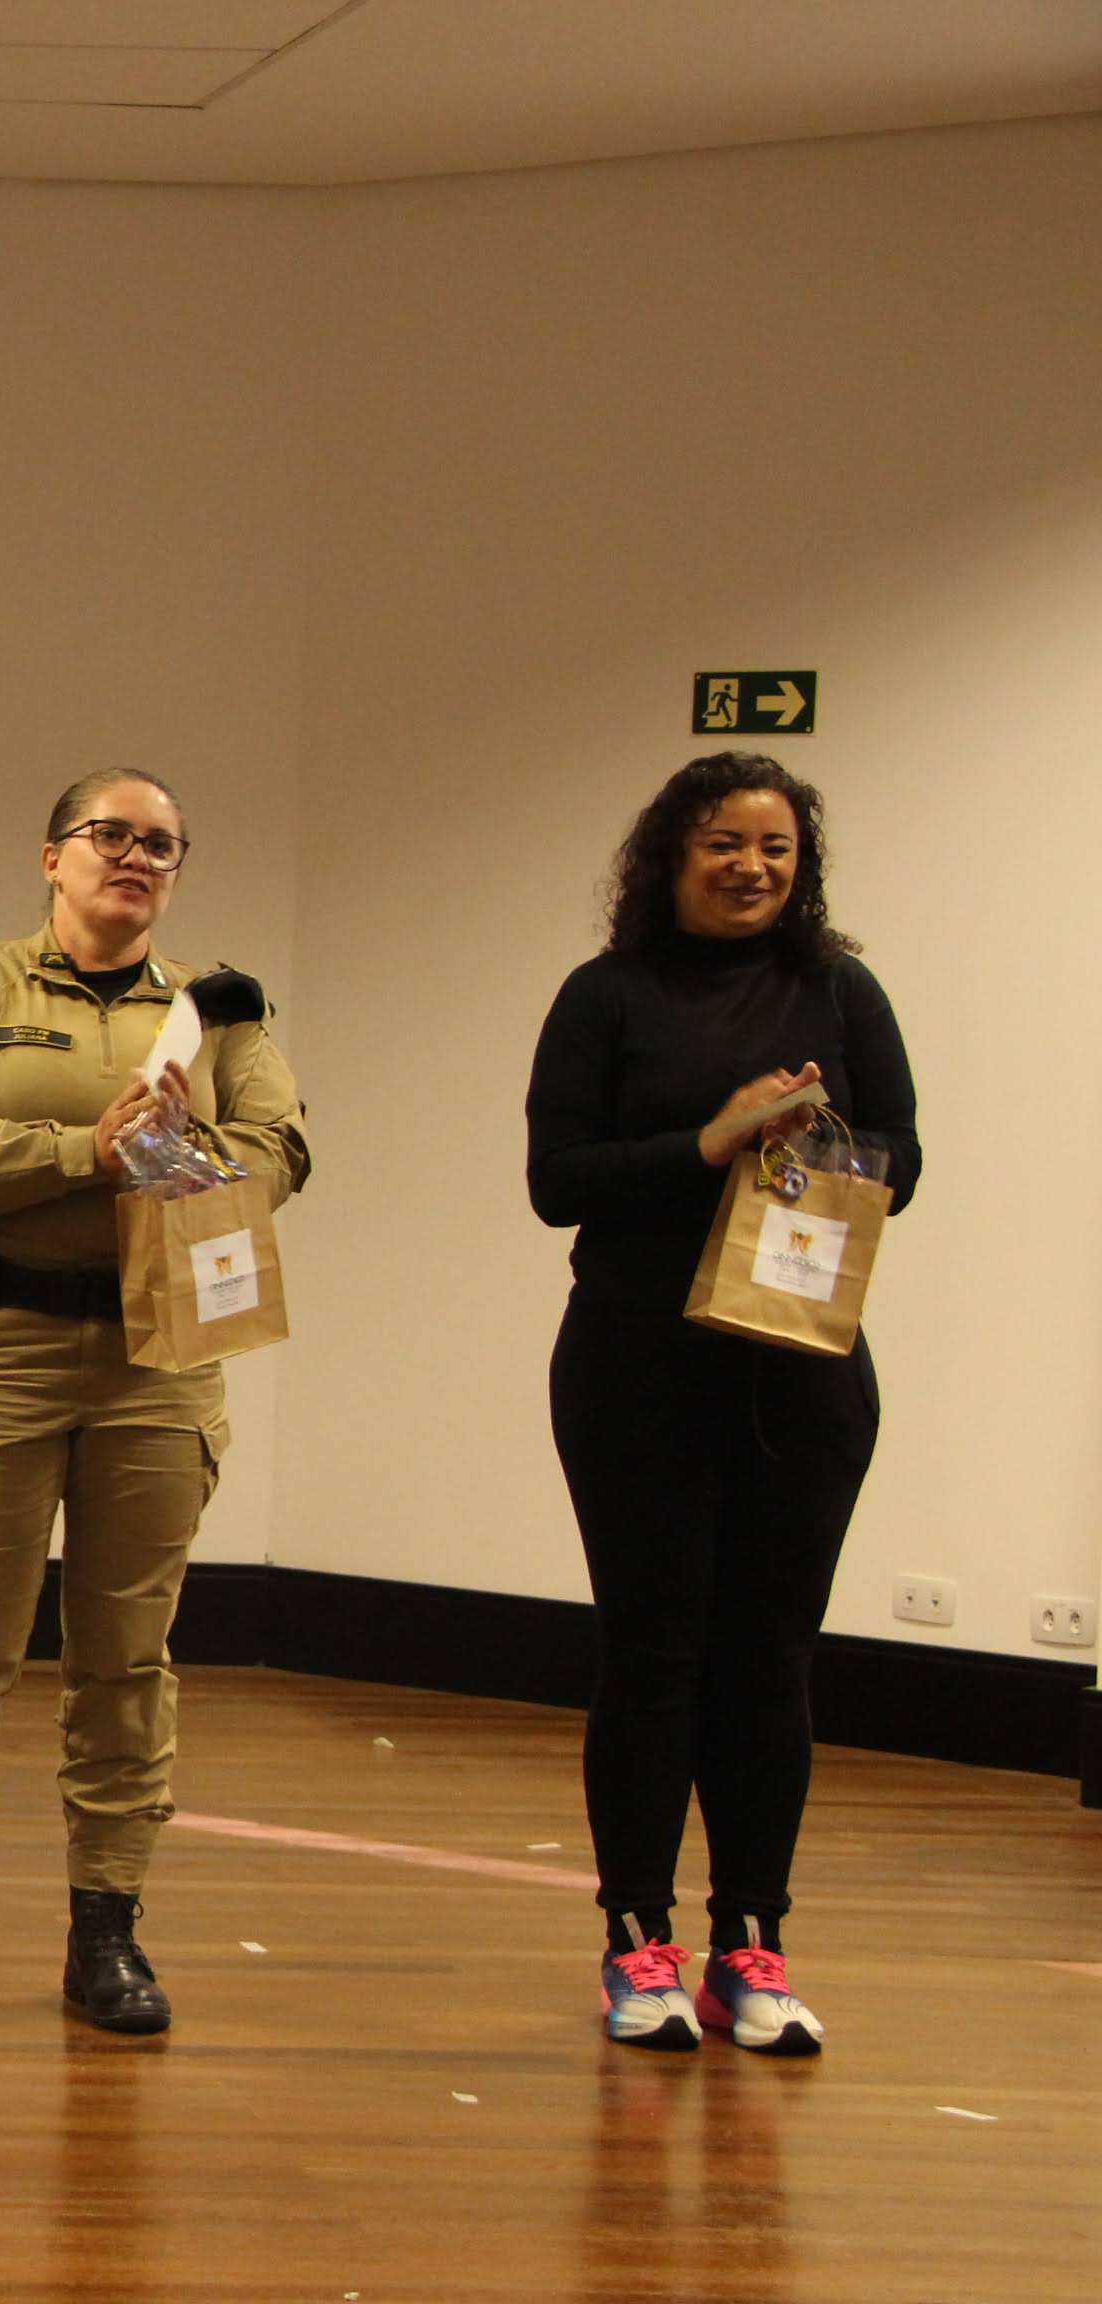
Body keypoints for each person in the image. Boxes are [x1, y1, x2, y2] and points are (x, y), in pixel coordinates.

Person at [0, 768, 308, 2035]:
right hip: (1, 1343)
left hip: (161, 1356)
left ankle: (107, 1931)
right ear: (52, 856)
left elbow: (283, 1151)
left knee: (126, 1659)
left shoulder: (217, 1013)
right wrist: (85, 1151)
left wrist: (181, 1150)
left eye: (161, 843)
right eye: (110, 835)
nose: (135, 857)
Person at [527, 752, 918, 2059]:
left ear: (802, 867)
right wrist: (712, 1139)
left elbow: (905, 1157)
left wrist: (813, 1143)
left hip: (801, 1364)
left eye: (776, 849)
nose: (752, 867)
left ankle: (753, 1947)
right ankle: (638, 1943)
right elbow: (559, 1180)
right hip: (637, 1362)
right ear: (671, 858)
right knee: (653, 1655)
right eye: (723, 845)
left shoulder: (842, 990)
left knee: (770, 1659)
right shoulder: (607, 995)